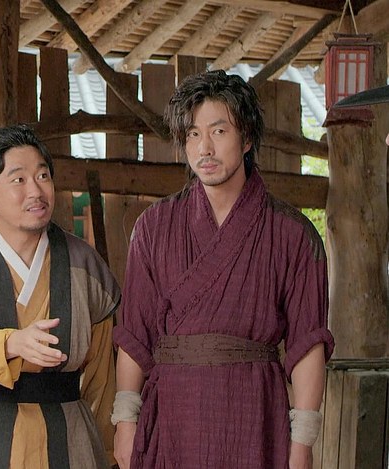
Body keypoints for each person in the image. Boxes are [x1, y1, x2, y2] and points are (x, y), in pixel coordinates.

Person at [111, 70, 334, 469]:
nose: (205, 148)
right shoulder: (153, 227)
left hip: (254, 416)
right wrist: (125, 421)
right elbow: (134, 335)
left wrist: (302, 441)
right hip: (173, 417)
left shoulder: (292, 234)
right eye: (193, 134)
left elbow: (308, 344)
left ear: (246, 139)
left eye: (219, 131)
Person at [0, 125, 121, 468]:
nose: (36, 191)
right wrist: (11, 343)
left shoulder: (84, 263)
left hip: (69, 444)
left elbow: (103, 381)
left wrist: (107, 451)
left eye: (43, 176)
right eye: (18, 180)